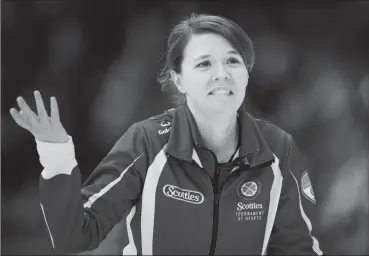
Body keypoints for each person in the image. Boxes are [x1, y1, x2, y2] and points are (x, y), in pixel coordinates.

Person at [9, 13, 324, 255]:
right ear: (179, 80)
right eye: (204, 64)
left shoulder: (278, 149)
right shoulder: (147, 142)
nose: (221, 74)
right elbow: (73, 235)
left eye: (232, 61)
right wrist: (56, 154)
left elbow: (299, 248)